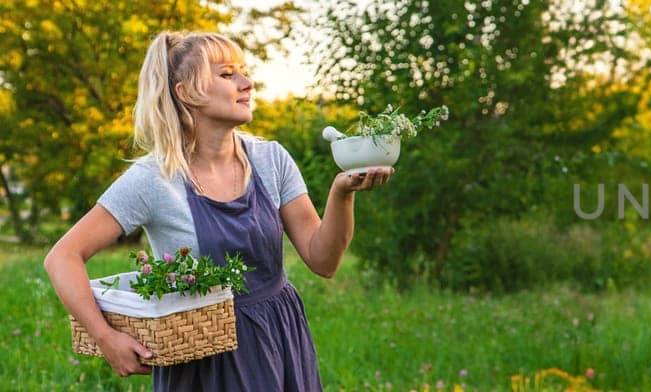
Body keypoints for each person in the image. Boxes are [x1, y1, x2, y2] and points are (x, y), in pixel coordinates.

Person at [41, 31, 391, 390]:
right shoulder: (153, 179)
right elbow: (62, 256)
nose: (247, 82)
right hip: (202, 362)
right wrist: (105, 337)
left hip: (279, 342)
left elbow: (324, 261)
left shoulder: (272, 160)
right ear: (186, 93)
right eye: (227, 74)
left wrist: (341, 193)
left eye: (243, 71)